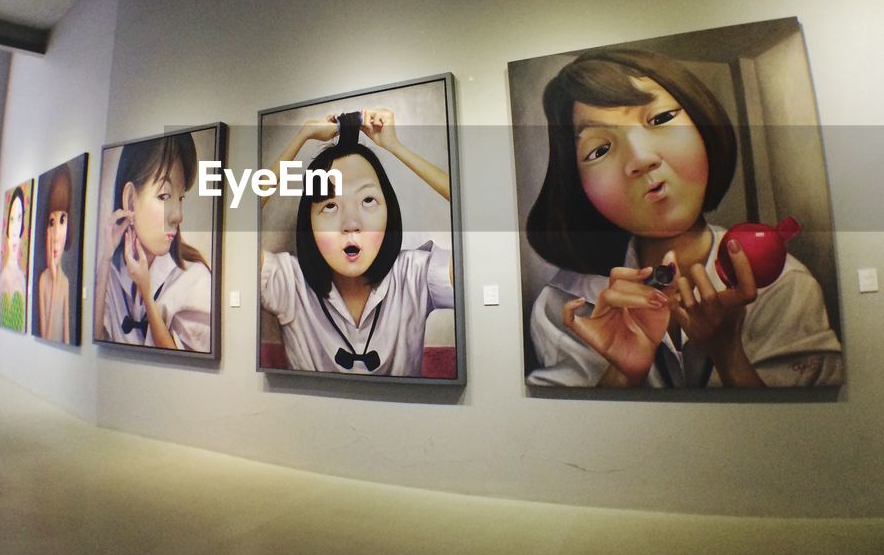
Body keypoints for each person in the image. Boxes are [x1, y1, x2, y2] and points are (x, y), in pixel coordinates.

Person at [524, 47, 843, 388]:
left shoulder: (785, 286)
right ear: (578, 185)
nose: (641, 158)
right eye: (599, 150)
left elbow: (805, 430)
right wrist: (622, 372)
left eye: (660, 119)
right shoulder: (565, 304)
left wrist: (729, 355)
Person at [261, 109, 453, 377]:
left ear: (389, 211)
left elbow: (478, 210)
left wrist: (395, 147)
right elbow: (232, 220)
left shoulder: (416, 275)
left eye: (367, 200)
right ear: (309, 224)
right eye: (330, 206)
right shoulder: (288, 282)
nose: (351, 223)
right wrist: (302, 135)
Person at [94, 134, 211, 351]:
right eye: (165, 196)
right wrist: (105, 258)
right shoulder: (112, 272)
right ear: (130, 200)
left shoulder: (196, 280)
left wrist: (147, 294)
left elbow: (185, 365)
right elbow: (96, 338)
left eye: (180, 197)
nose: (178, 215)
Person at [37, 165, 73, 343]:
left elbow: (66, 337)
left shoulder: (65, 283)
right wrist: (53, 276)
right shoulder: (43, 280)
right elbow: (46, 336)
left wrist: (58, 279)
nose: (57, 234)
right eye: (52, 222)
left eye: (62, 220)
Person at [0, 185, 28, 331]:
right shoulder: (2, 277)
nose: (15, 229)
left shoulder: (22, 278)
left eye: (19, 218)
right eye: (11, 219)